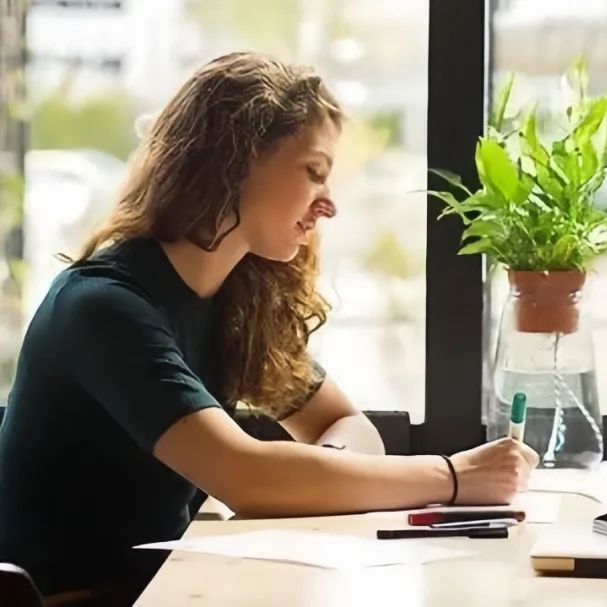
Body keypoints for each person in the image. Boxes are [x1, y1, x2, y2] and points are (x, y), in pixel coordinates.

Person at [0, 52, 539, 604]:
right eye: (314, 173)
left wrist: (319, 475)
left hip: (162, 588)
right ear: (234, 161)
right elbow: (244, 477)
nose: (328, 205)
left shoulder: (231, 303)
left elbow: (346, 422)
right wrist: (451, 475)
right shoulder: (103, 307)